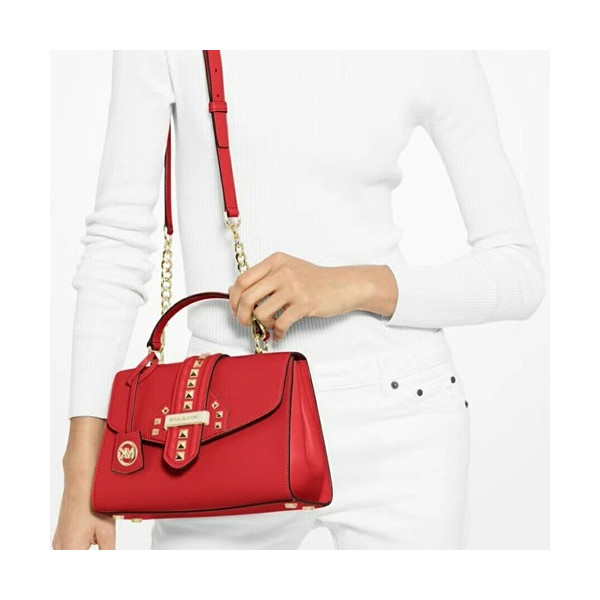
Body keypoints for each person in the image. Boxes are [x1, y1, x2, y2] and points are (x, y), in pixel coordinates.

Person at [52, 50, 545, 550]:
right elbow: (117, 244)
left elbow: (518, 272)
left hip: (402, 419)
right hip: (217, 427)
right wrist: (81, 473)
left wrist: (352, 285)